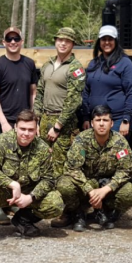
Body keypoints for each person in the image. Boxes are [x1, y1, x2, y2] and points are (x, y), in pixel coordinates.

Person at [0, 110, 64, 245]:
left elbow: (49, 179)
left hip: (27, 193)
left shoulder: (42, 148)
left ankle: (24, 220)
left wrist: (31, 197)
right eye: (22, 129)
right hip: (4, 191)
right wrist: (13, 184)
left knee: (55, 202)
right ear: (15, 127)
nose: (26, 133)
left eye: (31, 130)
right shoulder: (3, 140)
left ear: (36, 129)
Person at [54, 105, 132, 231]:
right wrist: (91, 191)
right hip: (85, 184)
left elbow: (126, 170)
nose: (101, 124)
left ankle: (106, 211)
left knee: (130, 192)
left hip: (107, 186)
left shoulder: (120, 142)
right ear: (92, 123)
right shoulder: (82, 140)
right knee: (64, 185)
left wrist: (105, 189)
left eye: (105, 120)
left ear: (111, 123)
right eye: (98, 120)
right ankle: (77, 213)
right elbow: (73, 169)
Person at [34, 27, 86, 178]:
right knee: (42, 160)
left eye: (67, 41)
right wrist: (36, 119)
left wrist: (58, 127)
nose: (63, 43)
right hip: (44, 119)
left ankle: (58, 198)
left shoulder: (76, 68)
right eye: (60, 40)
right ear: (55, 42)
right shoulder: (47, 65)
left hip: (63, 123)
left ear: (72, 44)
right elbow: (40, 93)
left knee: (59, 164)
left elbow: (73, 100)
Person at [81, 25, 132, 141]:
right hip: (96, 119)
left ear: (116, 41)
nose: (107, 42)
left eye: (110, 39)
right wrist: (86, 117)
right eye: (103, 39)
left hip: (117, 119)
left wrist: (126, 119)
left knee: (115, 154)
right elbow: (86, 91)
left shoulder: (125, 63)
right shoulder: (93, 63)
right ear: (99, 42)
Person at [0, 26, 37, 140]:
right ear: (4, 43)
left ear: (21, 41)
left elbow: (33, 93)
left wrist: (33, 118)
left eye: (16, 38)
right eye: (9, 39)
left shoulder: (29, 64)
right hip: (2, 122)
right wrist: (3, 123)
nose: (13, 42)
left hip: (25, 123)